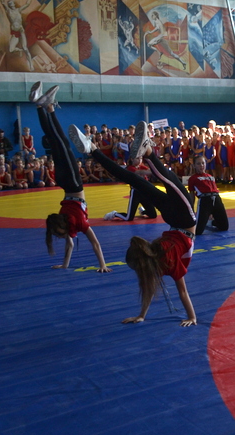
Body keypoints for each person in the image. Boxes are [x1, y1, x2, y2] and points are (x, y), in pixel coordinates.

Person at [70, 120, 200, 326]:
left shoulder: (161, 267)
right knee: (150, 180)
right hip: (177, 219)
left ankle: (101, 149)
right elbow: (172, 291)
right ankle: (103, 149)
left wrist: (143, 315)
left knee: (156, 181)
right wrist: (190, 318)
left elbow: (181, 291)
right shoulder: (154, 258)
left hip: (183, 221)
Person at [28, 83, 110, 273]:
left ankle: (44, 107)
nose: (63, 237)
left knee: (61, 142)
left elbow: (95, 245)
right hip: (64, 183)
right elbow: (72, 245)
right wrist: (65, 265)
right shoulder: (67, 221)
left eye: (60, 234)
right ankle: (45, 107)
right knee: (56, 143)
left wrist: (103, 265)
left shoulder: (76, 223)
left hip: (73, 184)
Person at [187, 155, 229, 234]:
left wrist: (213, 212)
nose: (201, 166)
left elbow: (214, 190)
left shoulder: (210, 176)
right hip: (205, 201)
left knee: (224, 227)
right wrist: (191, 209)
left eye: (203, 163)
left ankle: (213, 221)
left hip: (217, 199)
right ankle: (200, 221)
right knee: (198, 231)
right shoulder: (193, 178)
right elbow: (192, 194)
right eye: (198, 164)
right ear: (194, 166)